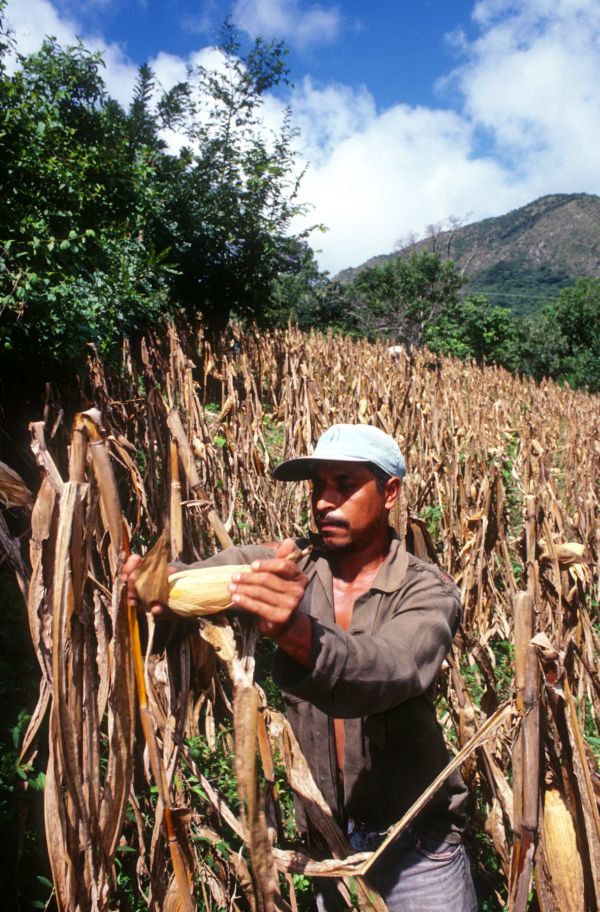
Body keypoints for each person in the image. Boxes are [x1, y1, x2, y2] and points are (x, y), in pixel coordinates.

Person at [124, 424, 477, 911]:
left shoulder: (426, 590)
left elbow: (392, 670)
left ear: (390, 492)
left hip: (415, 846)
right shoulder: (293, 565)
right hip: (324, 847)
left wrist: (297, 633)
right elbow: (199, 580)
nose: (323, 502)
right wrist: (159, 591)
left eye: (344, 485)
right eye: (317, 486)